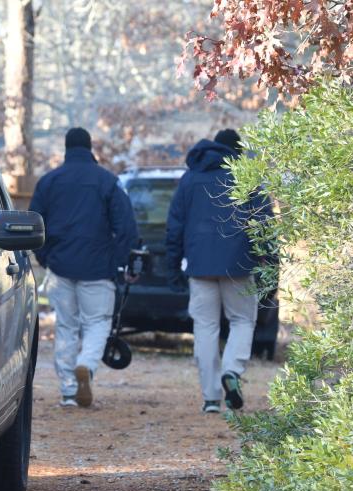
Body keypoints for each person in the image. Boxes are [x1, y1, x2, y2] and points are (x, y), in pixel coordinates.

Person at [29, 127, 139, 408]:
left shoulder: (49, 181)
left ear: (66, 149)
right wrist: (117, 260)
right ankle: (87, 365)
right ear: (91, 149)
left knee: (66, 325)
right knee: (97, 322)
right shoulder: (107, 181)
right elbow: (126, 226)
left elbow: (33, 224)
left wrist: (45, 257)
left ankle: (67, 389)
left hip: (60, 265)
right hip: (98, 268)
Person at [166, 129, 271, 414]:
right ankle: (232, 371)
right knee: (241, 321)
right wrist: (270, 262)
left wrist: (173, 265)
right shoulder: (247, 177)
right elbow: (263, 224)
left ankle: (211, 397)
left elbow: (175, 226)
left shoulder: (190, 179)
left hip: (199, 266)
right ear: (237, 151)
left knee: (205, 328)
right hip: (239, 264)